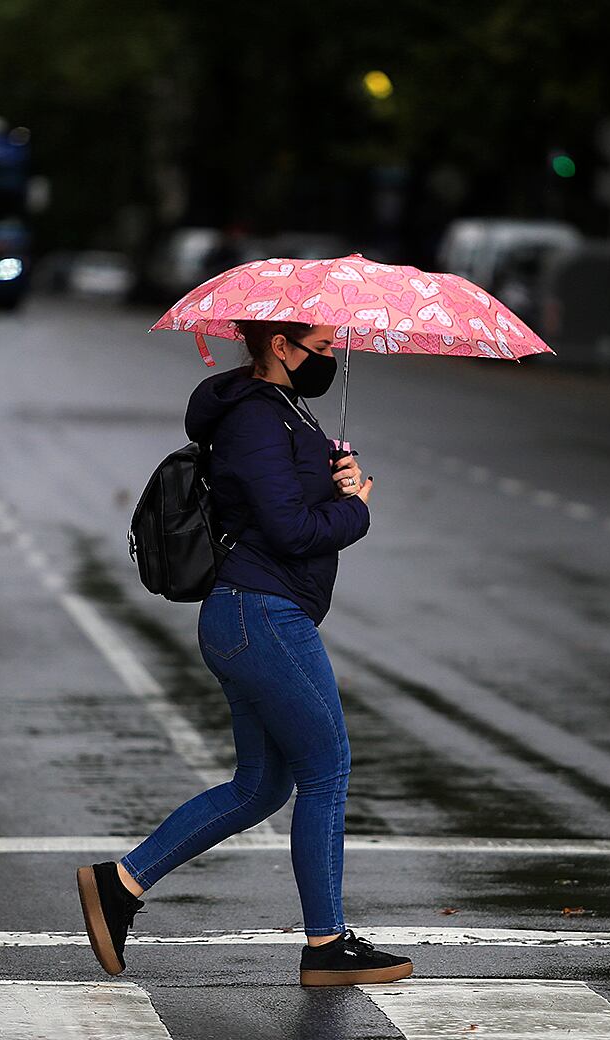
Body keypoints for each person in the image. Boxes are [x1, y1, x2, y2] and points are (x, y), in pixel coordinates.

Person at [77, 319, 414, 988]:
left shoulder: (279, 411)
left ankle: (119, 885)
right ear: (280, 346)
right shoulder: (258, 418)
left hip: (253, 615)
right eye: (320, 348)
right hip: (261, 615)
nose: (330, 360)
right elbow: (289, 531)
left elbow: (279, 503)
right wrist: (357, 511)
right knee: (327, 767)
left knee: (261, 785)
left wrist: (333, 477)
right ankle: (325, 943)